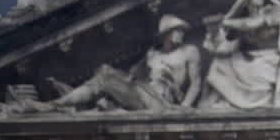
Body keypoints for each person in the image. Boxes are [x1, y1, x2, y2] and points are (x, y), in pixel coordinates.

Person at [23, 15, 202, 113]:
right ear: (167, 34)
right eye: (177, 31)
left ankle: (59, 103)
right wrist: (129, 75)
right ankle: (59, 104)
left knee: (105, 77)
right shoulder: (152, 55)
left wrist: (185, 107)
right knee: (104, 74)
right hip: (144, 94)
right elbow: (134, 75)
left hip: (162, 102)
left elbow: (196, 82)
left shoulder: (190, 52)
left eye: (182, 31)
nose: (182, 34)